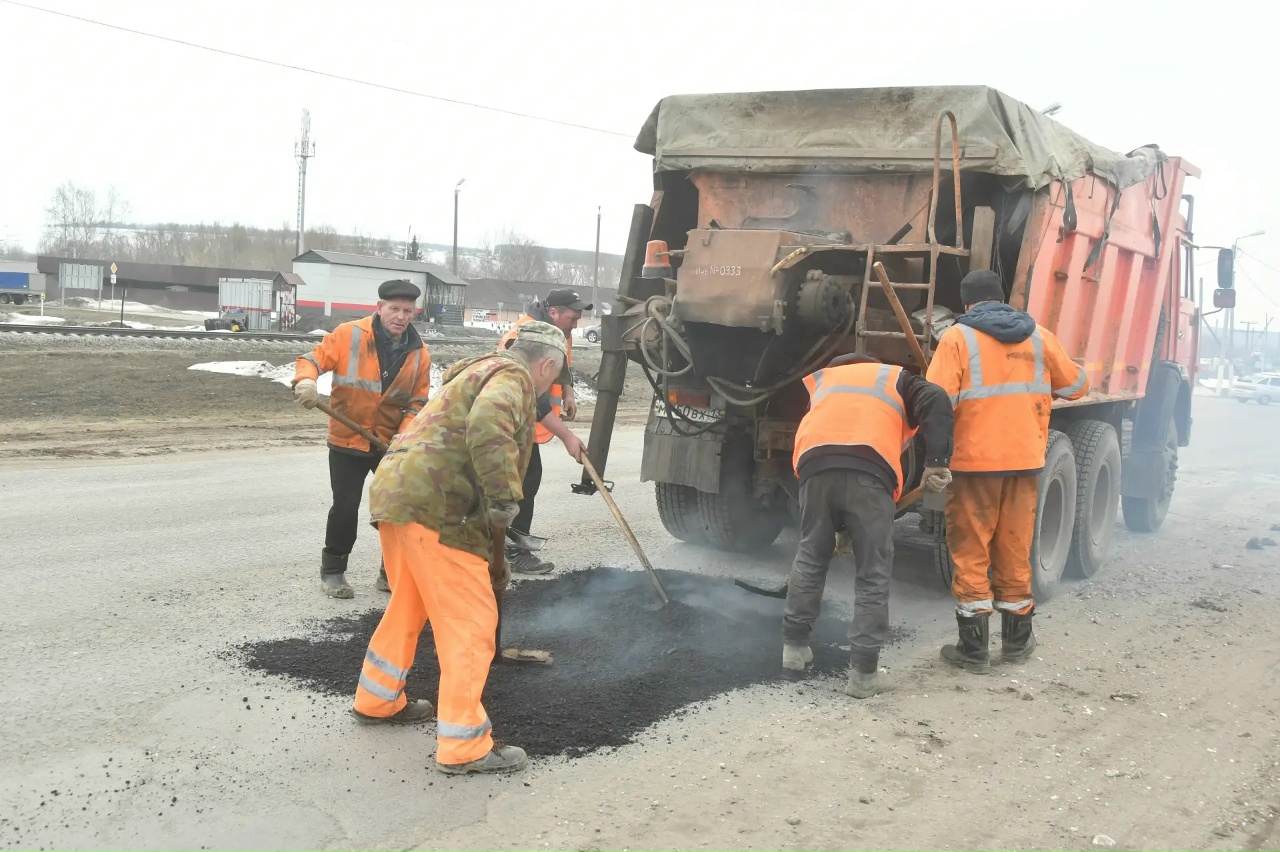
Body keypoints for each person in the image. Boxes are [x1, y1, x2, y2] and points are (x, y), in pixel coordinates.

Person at [350, 320, 569, 775]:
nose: (549, 386)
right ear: (547, 365)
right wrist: (504, 499)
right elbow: (488, 425)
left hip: (397, 492)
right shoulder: (513, 377)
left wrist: (494, 546)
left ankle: (377, 699)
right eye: (554, 377)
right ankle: (464, 746)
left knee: (408, 605)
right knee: (470, 624)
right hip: (438, 505)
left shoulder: (475, 371)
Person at [926, 269, 1089, 673]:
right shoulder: (1040, 336)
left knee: (971, 553)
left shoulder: (956, 338)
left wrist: (933, 456)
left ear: (966, 303)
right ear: (1002, 299)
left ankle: (973, 651)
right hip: (1025, 462)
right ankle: (1017, 644)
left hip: (974, 466)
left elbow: (937, 402)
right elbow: (1077, 387)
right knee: (1014, 549)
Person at [784, 353, 954, 698]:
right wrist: (936, 463)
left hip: (814, 471)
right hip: (870, 472)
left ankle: (794, 651)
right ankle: (863, 676)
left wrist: (839, 526)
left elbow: (834, 442)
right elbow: (937, 397)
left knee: (811, 555)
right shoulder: (895, 379)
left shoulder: (825, 382)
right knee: (872, 572)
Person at [292, 279, 432, 599]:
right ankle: (333, 571)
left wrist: (404, 434)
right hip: (347, 440)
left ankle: (390, 572)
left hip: (390, 443)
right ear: (379, 308)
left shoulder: (419, 354)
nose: (400, 316)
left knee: (397, 509)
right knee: (345, 507)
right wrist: (306, 382)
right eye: (394, 309)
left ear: (414, 313)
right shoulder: (349, 335)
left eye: (407, 310)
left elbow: (417, 402)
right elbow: (311, 360)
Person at [495, 288, 588, 574]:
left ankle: (505, 547)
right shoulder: (522, 338)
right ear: (554, 312)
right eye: (572, 318)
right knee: (514, 485)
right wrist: (567, 437)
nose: (575, 325)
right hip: (507, 423)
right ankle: (509, 551)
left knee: (527, 480)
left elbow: (562, 365)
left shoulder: (559, 331)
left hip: (526, 423)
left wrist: (568, 391)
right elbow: (534, 398)